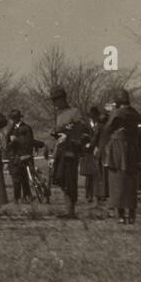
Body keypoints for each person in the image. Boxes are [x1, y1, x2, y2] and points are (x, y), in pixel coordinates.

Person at [103, 90, 141, 224]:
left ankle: (121, 215)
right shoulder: (134, 112)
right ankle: (132, 214)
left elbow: (108, 128)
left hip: (117, 148)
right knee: (131, 182)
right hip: (132, 148)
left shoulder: (116, 113)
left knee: (117, 181)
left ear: (117, 101)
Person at [49, 85, 90, 219]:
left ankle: (71, 211)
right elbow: (58, 133)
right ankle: (68, 211)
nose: (54, 103)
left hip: (71, 151)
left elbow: (83, 130)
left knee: (70, 181)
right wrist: (55, 134)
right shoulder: (59, 115)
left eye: (56, 99)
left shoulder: (75, 112)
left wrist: (69, 133)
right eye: (53, 100)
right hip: (60, 150)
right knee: (61, 179)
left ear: (63, 99)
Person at [3, 110, 35, 202]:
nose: (11, 121)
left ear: (16, 118)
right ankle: (17, 198)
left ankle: (25, 197)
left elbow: (29, 142)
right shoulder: (10, 129)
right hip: (13, 157)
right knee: (15, 178)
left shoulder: (26, 128)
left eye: (12, 119)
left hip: (23, 156)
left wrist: (17, 140)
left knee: (24, 178)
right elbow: (6, 144)